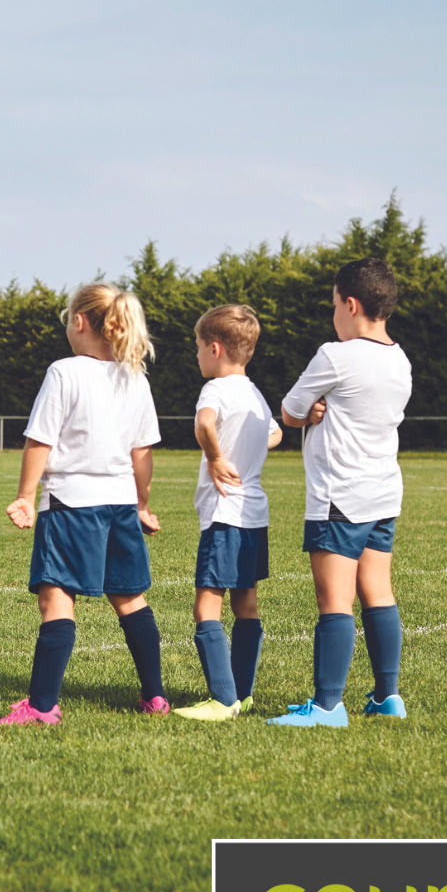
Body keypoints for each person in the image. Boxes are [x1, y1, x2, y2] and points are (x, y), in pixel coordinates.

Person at [0, 283, 167, 725]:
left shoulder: (64, 371)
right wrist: (142, 504)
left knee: (56, 599)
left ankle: (40, 707)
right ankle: (155, 698)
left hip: (71, 503)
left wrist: (25, 496)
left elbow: (40, 440)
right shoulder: (136, 378)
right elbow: (142, 453)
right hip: (120, 504)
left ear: (78, 322)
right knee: (131, 599)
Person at [267, 257, 413, 728]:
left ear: (350, 305)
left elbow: (289, 412)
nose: (333, 314)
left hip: (340, 497)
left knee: (335, 600)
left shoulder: (335, 354)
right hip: (383, 495)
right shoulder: (401, 359)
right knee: (379, 593)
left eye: (334, 305)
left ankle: (328, 706)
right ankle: (387, 697)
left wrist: (308, 414)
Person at [175, 305, 283, 722]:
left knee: (207, 607)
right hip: (255, 513)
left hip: (225, 513)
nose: (197, 355)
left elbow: (203, 425)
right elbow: (274, 433)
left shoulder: (215, 390)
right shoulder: (254, 394)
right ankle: (244, 693)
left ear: (216, 348)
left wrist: (217, 456)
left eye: (199, 347)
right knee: (247, 605)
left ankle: (222, 700)